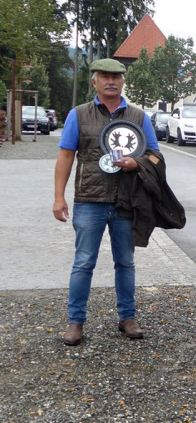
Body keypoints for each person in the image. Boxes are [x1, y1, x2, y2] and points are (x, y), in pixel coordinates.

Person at [53, 58, 160, 346]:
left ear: (123, 82)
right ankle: (75, 322)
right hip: (90, 200)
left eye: (117, 77)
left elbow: (155, 156)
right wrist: (58, 196)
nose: (111, 81)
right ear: (94, 81)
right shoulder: (78, 115)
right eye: (105, 76)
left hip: (127, 201)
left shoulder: (139, 117)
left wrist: (135, 164)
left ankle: (128, 317)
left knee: (125, 262)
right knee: (83, 262)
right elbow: (65, 155)